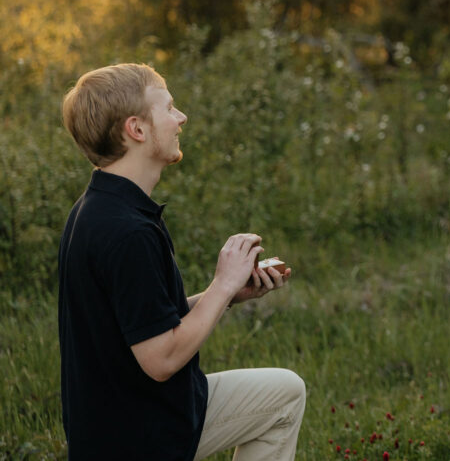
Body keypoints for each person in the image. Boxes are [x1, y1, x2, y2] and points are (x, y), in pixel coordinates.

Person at [58, 63, 306, 461]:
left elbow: (146, 323)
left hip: (123, 419)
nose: (181, 118)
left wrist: (226, 295)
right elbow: (161, 360)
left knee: (285, 392)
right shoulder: (126, 232)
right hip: (138, 435)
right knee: (283, 400)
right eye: (169, 108)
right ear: (136, 129)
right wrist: (222, 283)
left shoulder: (101, 207)